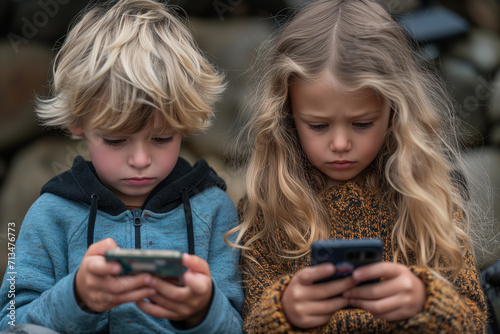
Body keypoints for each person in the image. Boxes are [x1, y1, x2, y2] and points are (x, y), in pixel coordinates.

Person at [227, 0, 488, 332]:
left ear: (396, 112)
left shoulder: (430, 200)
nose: (339, 144)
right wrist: (284, 311)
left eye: (362, 123)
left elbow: (476, 321)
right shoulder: (268, 207)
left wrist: (427, 300)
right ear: (286, 116)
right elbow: (247, 323)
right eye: (318, 126)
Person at [0, 0, 243, 333]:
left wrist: (203, 310)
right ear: (76, 123)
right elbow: (12, 322)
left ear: (186, 124)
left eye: (162, 139)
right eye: (116, 141)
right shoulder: (50, 215)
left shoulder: (214, 210)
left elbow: (237, 324)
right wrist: (77, 298)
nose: (140, 161)